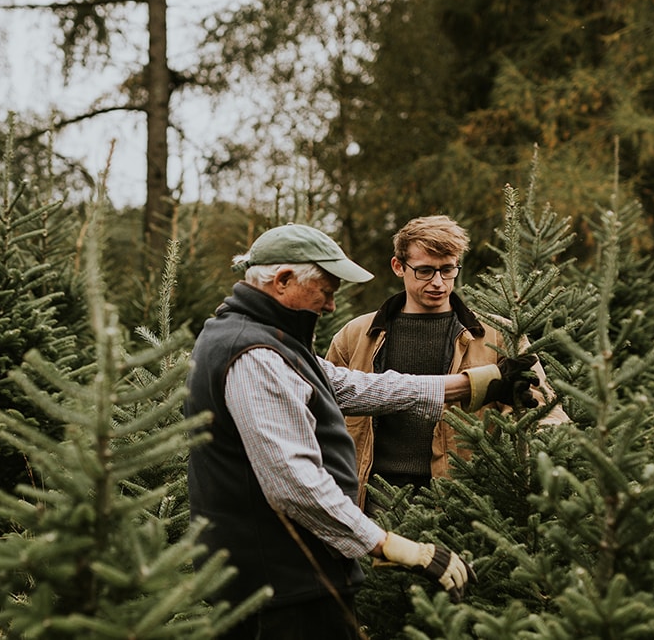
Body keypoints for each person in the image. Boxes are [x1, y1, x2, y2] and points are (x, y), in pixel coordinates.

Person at [186, 223, 536, 640]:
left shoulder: (262, 338)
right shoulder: (256, 354)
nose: (333, 304)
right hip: (280, 583)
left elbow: (354, 385)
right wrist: (387, 543)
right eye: (327, 290)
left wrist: (473, 384)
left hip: (286, 575)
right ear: (282, 281)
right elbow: (294, 483)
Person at [326, 215, 569, 508]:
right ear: (398, 267)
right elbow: (326, 419)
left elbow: (544, 412)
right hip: (374, 501)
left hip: (461, 501)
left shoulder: (499, 334)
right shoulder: (356, 335)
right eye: (425, 271)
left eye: (447, 270)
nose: (438, 283)